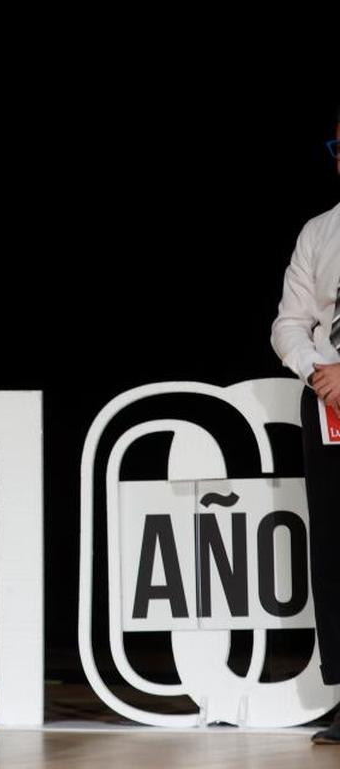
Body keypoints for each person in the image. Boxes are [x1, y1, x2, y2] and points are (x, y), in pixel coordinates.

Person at [271, 107, 340, 746]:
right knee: (336, 547)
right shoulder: (320, 230)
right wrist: (322, 371)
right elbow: (289, 322)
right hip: (329, 402)